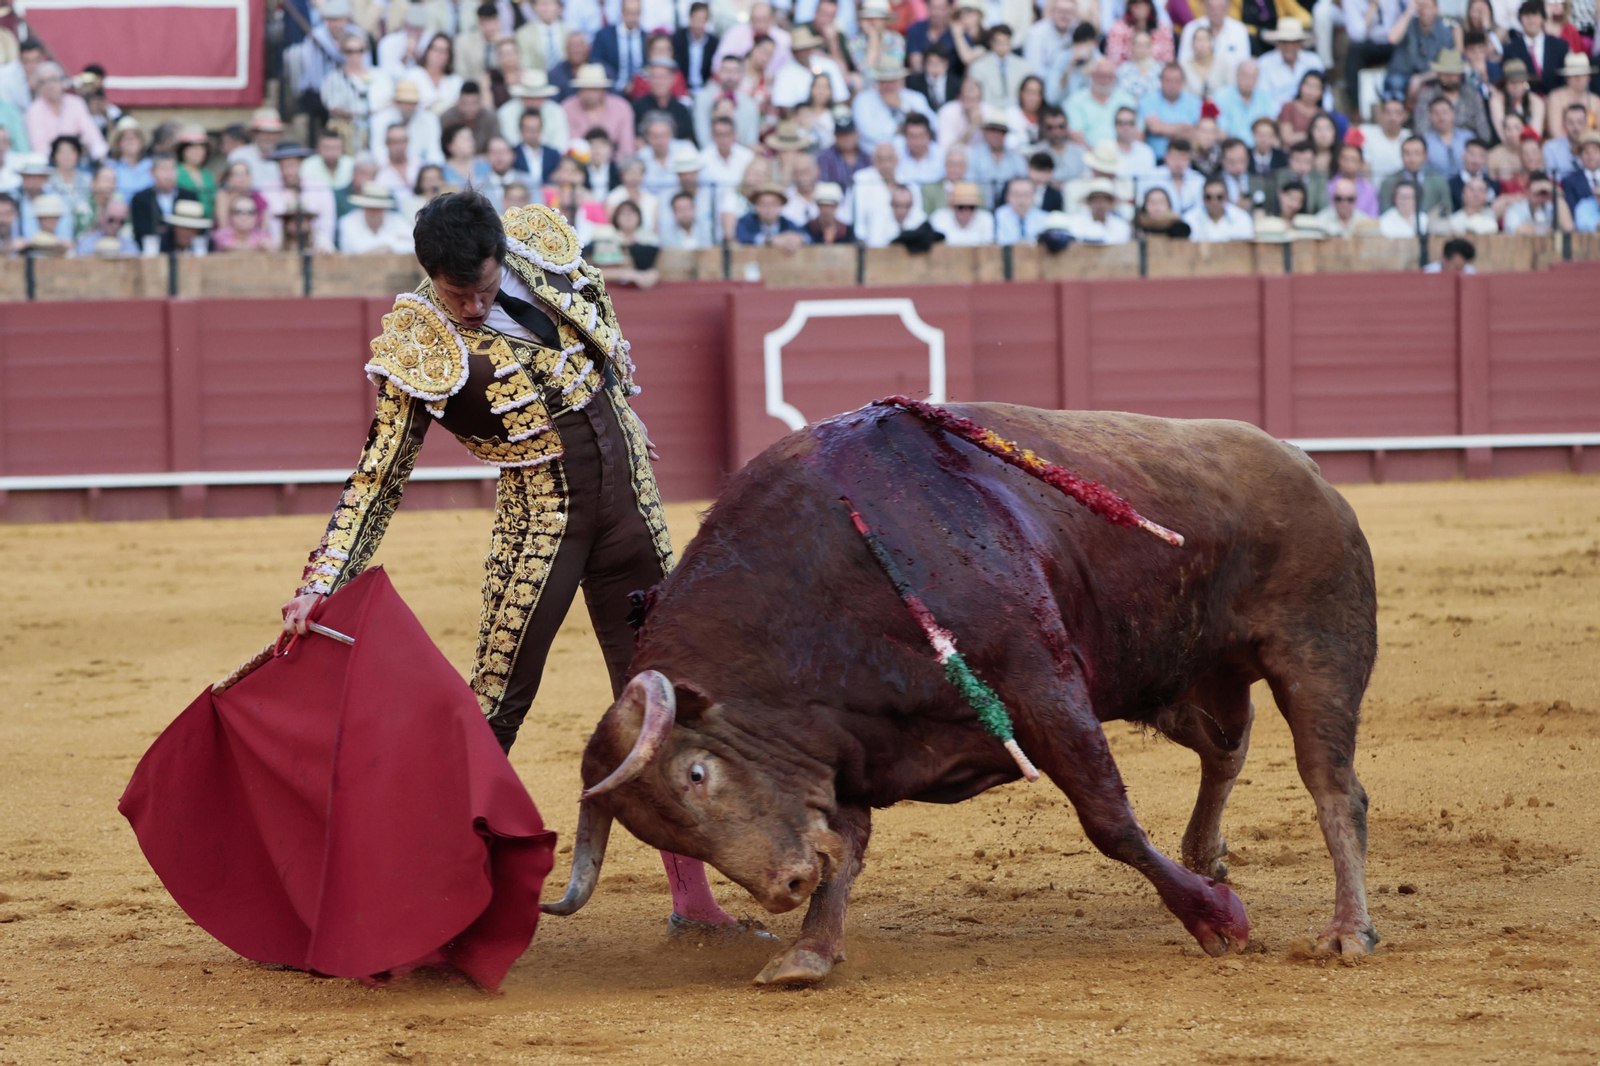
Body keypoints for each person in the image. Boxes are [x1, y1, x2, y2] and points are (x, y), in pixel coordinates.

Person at [282, 192, 753, 938]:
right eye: (455, 295)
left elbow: (603, 345)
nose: (472, 308)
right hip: (542, 525)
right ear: (428, 275)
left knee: (664, 696)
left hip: (630, 508)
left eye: (482, 288)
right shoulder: (418, 343)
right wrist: (320, 583)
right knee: (495, 706)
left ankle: (693, 902)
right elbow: (378, 477)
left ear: (503, 256)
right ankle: (429, 904)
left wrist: (623, 418)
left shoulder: (544, 248)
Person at [25, 63, 107, 162]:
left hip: (79, 160)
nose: (50, 85)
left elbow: (92, 135)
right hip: (50, 163)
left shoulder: (76, 103)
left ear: (62, 82)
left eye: (54, 79)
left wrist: (100, 157)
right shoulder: (34, 111)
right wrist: (63, 158)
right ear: (38, 87)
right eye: (44, 82)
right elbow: (39, 147)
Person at [1412, 49, 1493, 143]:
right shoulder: (1427, 96)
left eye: (1454, 73)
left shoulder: (1472, 96)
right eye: (1445, 73)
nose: (1449, 77)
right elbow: (1421, 130)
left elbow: (1483, 130)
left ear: (1460, 75)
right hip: (1434, 146)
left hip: (1468, 146)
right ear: (1438, 74)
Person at [564, 64, 639, 154]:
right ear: (579, 89)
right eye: (585, 89)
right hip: (577, 161)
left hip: (614, 161)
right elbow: (566, 146)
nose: (589, 94)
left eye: (594, 89)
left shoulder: (621, 108)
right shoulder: (567, 108)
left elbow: (626, 147)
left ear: (603, 89)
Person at [1064, 59, 1137, 148]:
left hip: (1124, 153)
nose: (1105, 80)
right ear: (1092, 76)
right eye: (1101, 76)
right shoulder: (1075, 101)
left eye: (1109, 77)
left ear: (1115, 78)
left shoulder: (1127, 100)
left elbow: (1137, 133)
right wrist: (1096, 155)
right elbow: (1076, 135)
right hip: (1087, 153)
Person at [1501, 0, 1568, 95]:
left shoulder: (1559, 45)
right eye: (1527, 16)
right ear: (1520, 19)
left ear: (1543, 18)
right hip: (1526, 99)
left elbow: (1564, 78)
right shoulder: (1510, 49)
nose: (1531, 20)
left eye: (1535, 15)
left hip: (1557, 97)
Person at [1140, 62, 1202, 161]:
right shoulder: (1148, 100)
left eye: (1176, 81)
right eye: (1168, 80)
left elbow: (1199, 132)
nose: (1172, 85)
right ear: (1160, 81)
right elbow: (1155, 128)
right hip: (1157, 159)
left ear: (1183, 82)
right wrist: (1185, 128)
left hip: (1188, 160)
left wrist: (1165, 129)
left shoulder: (1195, 102)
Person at [1378, 133, 1451, 212]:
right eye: (1407, 153)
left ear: (1425, 156)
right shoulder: (1389, 182)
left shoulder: (1438, 181)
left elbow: (1446, 209)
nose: (1412, 158)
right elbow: (1385, 213)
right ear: (1402, 155)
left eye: (1417, 153)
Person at [1176, 0, 1252, 65]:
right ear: (1204, 8)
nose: (1216, 12)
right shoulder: (1191, 29)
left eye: (1221, 7)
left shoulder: (1239, 30)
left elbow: (1244, 63)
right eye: (1212, 8)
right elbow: (1183, 61)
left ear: (1228, 8)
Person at [735, 182, 809, 246]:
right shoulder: (745, 221)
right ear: (756, 206)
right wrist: (769, 240)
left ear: (781, 206)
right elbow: (741, 237)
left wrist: (798, 238)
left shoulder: (786, 223)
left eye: (773, 204)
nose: (768, 208)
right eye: (763, 204)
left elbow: (807, 237)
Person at [1358, 96, 1410, 187]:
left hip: (1402, 192)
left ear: (1405, 116)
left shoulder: (1409, 137)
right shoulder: (1366, 133)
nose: (1393, 117)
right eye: (1388, 112)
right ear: (1380, 114)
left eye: (1398, 113)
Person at [1491, 60, 1545, 140]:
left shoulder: (1536, 101)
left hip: (1529, 144)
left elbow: (1536, 133)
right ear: (1505, 84)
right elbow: (1502, 135)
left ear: (1526, 82)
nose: (1516, 86)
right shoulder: (1497, 100)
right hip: (1507, 145)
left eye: (1520, 81)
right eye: (1512, 82)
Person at [440, 81, 500, 153]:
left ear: (481, 102)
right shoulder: (447, 118)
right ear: (458, 102)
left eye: (474, 103)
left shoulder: (490, 118)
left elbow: (495, 144)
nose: (469, 108)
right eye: (465, 103)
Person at [929, 179, 995, 241]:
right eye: (961, 207)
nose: (966, 212)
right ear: (952, 207)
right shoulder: (939, 218)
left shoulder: (985, 219)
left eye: (971, 207)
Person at [1422, 97, 1473, 175]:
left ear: (1453, 114)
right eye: (1436, 113)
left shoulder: (1468, 137)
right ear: (1430, 117)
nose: (1441, 117)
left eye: (1445, 112)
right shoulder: (1425, 142)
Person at [1312, 175, 1377, 235]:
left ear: (1356, 200)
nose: (1344, 203)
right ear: (1333, 199)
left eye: (1350, 199)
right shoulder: (1320, 222)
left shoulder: (1365, 221)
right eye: (1339, 199)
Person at [993, 175, 1049, 241]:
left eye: (1026, 195)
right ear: (1007, 196)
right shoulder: (996, 217)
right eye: (1016, 195)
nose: (1021, 200)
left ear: (1034, 197)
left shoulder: (1045, 219)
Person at [1558, 130, 1600, 209]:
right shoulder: (1570, 181)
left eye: (1595, 150)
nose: (1591, 155)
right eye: (1586, 151)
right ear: (1580, 155)